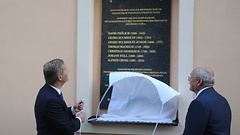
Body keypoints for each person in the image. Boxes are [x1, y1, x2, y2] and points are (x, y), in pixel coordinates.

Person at [34, 58, 86, 135]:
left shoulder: (48, 91)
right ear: (60, 77)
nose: (68, 71)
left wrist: (73, 110)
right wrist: (79, 119)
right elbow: (68, 128)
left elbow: (58, 116)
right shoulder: (50, 100)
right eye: (66, 70)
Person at [183, 66, 231, 135]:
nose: (189, 80)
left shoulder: (199, 103)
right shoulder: (222, 100)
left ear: (199, 81)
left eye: (190, 78)